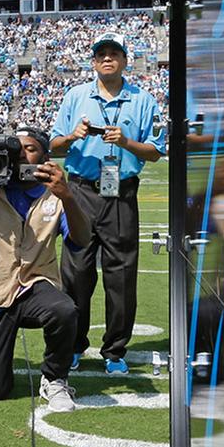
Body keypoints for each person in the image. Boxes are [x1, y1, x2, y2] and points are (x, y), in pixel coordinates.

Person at [0, 127, 89, 412]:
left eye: (30, 148)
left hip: (34, 285)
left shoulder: (54, 195)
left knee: (63, 309)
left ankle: (55, 379)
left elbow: (82, 240)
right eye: (16, 149)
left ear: (47, 157)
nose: (21, 154)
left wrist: (68, 197)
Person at [50, 31, 164, 376]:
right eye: (101, 53)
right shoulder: (75, 96)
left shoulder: (143, 100)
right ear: (93, 61)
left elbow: (157, 151)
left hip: (122, 194)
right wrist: (73, 137)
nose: (107, 58)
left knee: (122, 277)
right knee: (75, 274)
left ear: (125, 60)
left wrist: (126, 141)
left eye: (114, 53)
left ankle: (115, 351)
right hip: (81, 192)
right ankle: (73, 345)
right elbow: (54, 147)